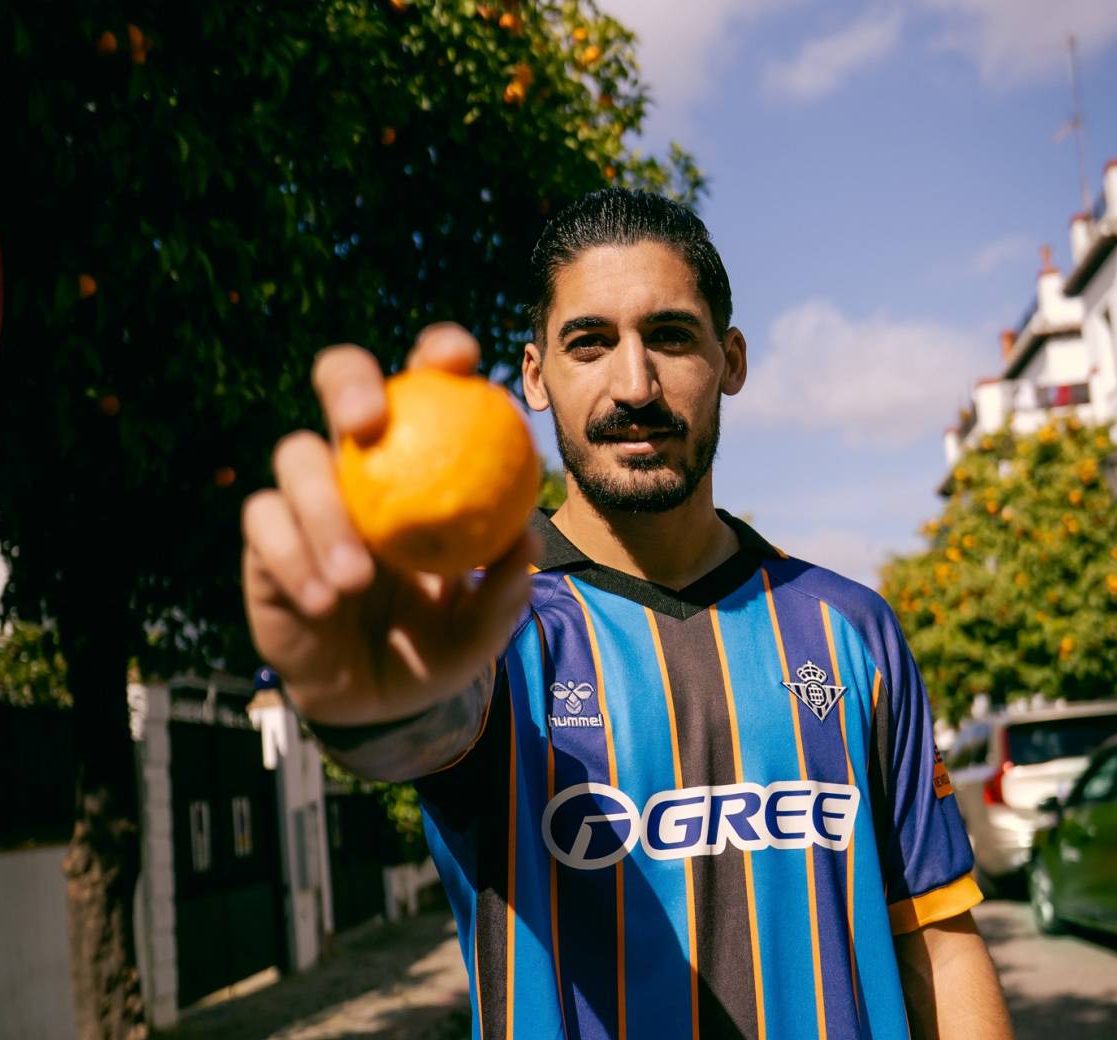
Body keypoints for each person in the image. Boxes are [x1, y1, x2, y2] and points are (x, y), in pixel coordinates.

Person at [242, 189, 1014, 1040]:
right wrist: (365, 700)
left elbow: (939, 948)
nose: (635, 384)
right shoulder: (486, 631)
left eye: (670, 336)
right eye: (589, 343)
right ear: (535, 375)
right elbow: (422, 721)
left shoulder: (850, 630)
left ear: (730, 360)